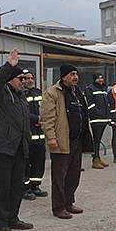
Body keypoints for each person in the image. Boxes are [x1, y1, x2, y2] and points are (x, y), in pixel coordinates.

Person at [0, 48, 33, 231]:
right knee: (1, 188)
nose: (23, 82)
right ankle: (0, 224)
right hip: (2, 148)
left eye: (24, 79)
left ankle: (12, 218)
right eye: (20, 79)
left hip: (19, 148)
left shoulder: (21, 98)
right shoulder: (0, 94)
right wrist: (8, 66)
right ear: (10, 79)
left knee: (16, 187)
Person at [40, 63, 93, 219]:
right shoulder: (52, 94)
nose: (75, 77)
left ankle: (69, 202)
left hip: (77, 141)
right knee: (59, 176)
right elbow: (47, 118)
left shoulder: (78, 93)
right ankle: (58, 207)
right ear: (63, 77)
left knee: (73, 175)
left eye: (76, 74)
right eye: (71, 74)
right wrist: (51, 137)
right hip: (61, 141)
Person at [22, 69, 48, 200]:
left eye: (31, 78)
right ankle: (24, 189)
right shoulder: (19, 94)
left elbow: (44, 108)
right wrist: (35, 119)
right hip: (27, 137)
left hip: (40, 137)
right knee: (26, 164)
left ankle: (35, 186)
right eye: (26, 78)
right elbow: (21, 113)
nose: (29, 80)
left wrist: (42, 118)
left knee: (39, 162)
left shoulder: (37, 92)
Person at [85, 73, 112, 169]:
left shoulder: (103, 89)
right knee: (96, 140)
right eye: (98, 78)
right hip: (96, 119)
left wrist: (108, 116)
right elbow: (90, 103)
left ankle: (98, 158)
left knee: (98, 140)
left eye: (101, 78)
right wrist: (98, 112)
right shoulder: (90, 89)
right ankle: (95, 159)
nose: (100, 80)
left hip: (103, 119)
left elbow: (107, 103)